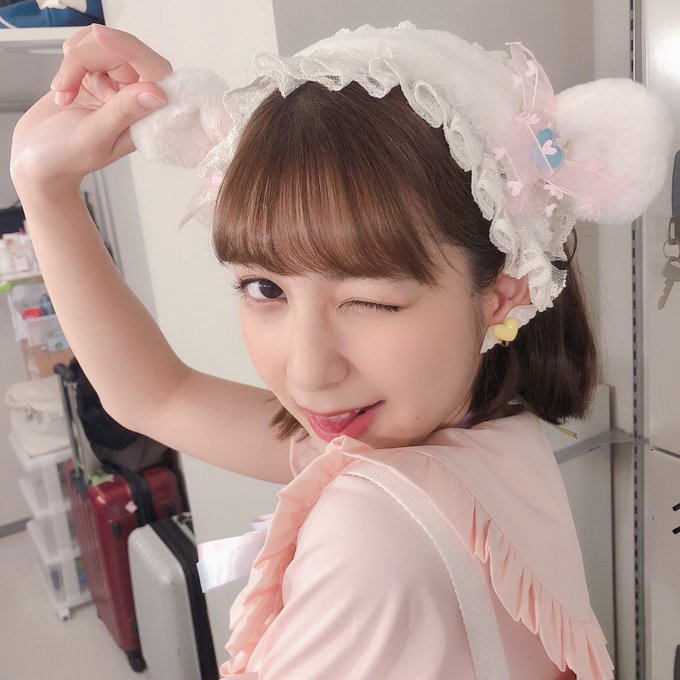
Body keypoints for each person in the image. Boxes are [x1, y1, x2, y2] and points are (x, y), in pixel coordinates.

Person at [10, 21, 670, 680]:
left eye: (370, 301)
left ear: (504, 288)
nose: (307, 373)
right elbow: (159, 397)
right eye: (265, 288)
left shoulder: (374, 532)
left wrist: (44, 190)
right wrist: (45, 189)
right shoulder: (482, 437)